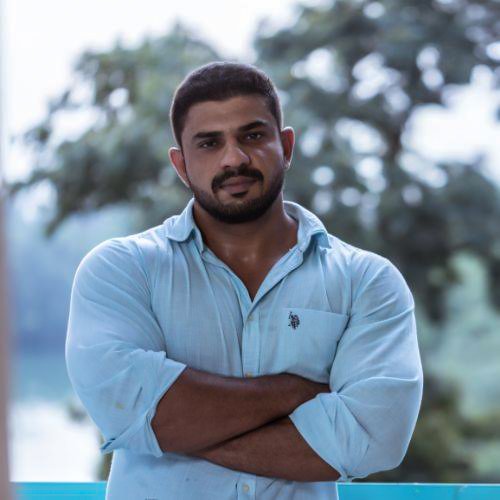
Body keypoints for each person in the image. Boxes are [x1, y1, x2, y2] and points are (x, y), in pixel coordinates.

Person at [65, 62, 423, 499]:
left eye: (252, 136)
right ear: (181, 164)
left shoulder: (366, 281)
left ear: (285, 146)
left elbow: (373, 439)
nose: (234, 158)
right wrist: (294, 393)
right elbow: (129, 412)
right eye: (209, 143)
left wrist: (172, 430)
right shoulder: (122, 270)